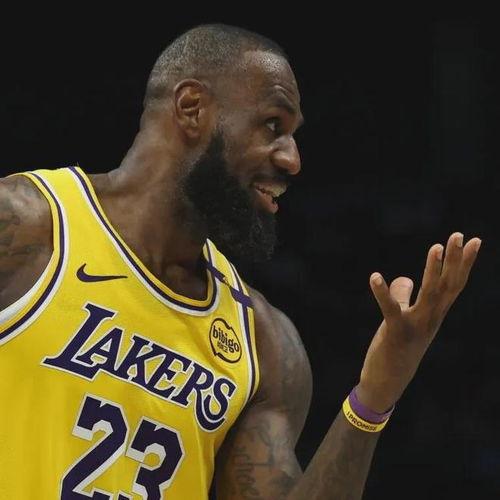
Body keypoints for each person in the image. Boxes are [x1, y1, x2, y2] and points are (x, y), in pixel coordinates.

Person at [0, 23, 480, 500]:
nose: (292, 159)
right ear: (192, 108)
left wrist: (375, 397)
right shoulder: (28, 225)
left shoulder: (263, 341)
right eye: (273, 125)